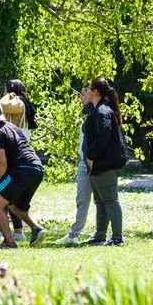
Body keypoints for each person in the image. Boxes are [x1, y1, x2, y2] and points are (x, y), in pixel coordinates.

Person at [0, 101, 47, 249]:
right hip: (36, 169)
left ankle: (9, 242)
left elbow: (2, 162)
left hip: (22, 170)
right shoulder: (12, 127)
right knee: (14, 206)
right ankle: (37, 229)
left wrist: (0, 180)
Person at [82, 78, 126, 246]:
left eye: (89, 88)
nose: (86, 91)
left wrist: (91, 156)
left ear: (96, 92)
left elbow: (104, 136)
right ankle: (100, 235)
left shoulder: (103, 111)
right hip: (97, 164)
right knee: (100, 201)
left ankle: (117, 237)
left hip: (104, 163)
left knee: (110, 200)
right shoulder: (97, 110)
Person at [59, 85, 94, 245]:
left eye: (83, 93)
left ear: (93, 93)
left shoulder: (99, 113)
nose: (80, 97)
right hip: (83, 162)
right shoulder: (89, 114)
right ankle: (74, 234)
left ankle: (103, 235)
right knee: (82, 199)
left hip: (91, 162)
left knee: (103, 200)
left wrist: (90, 161)